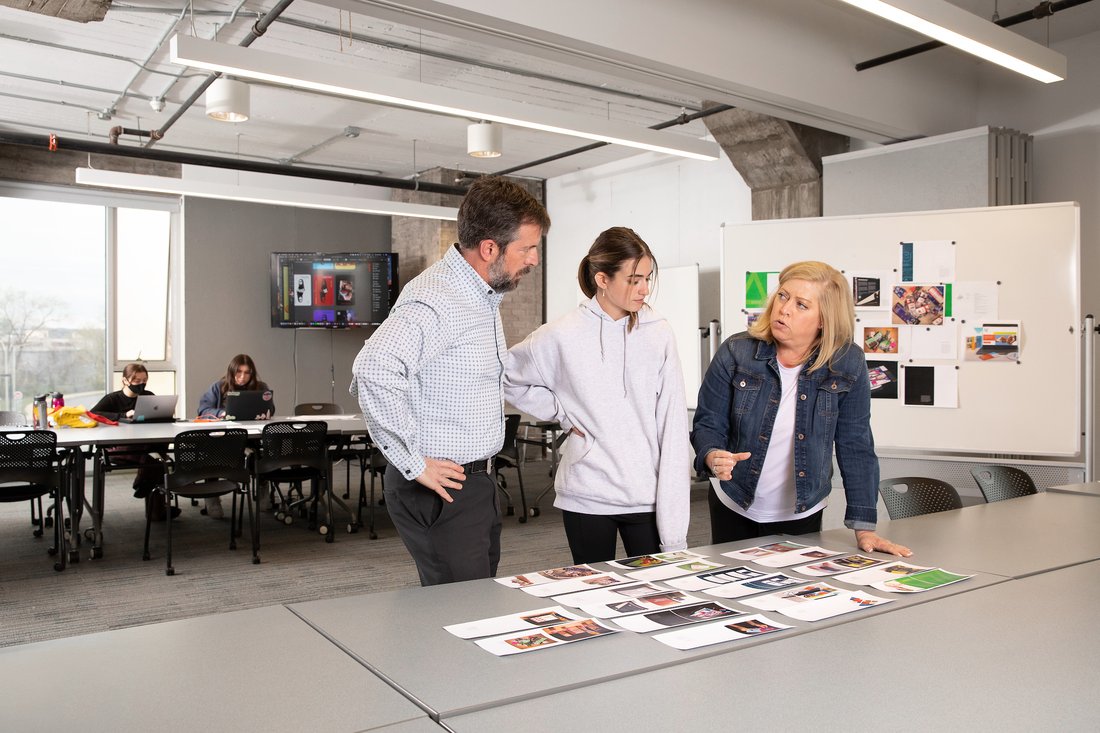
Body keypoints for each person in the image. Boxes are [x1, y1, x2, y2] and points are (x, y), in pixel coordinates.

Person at [352, 176, 549, 586]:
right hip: (442, 488)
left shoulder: (481, 295)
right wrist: (412, 461)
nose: (533, 259)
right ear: (490, 248)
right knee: (463, 614)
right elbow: (374, 368)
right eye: (527, 248)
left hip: (473, 483)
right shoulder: (440, 297)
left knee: (473, 605)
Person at [691, 261, 912, 557]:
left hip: (801, 510)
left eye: (801, 305)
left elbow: (855, 445)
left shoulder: (848, 363)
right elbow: (708, 422)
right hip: (734, 500)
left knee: (792, 595)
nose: (784, 309)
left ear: (824, 319)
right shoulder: (736, 351)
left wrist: (864, 526)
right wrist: (711, 454)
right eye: (783, 296)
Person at [504, 227, 690, 563]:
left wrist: (675, 530)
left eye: (647, 278)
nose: (645, 289)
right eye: (634, 279)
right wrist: (562, 412)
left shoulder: (658, 332)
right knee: (592, 597)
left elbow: (673, 424)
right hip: (587, 497)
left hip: (646, 497)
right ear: (602, 279)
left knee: (657, 594)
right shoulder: (562, 334)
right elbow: (507, 375)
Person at [89, 363, 177, 521]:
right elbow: (93, 414)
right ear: (125, 381)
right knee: (157, 461)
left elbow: (156, 414)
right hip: (120, 447)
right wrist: (123, 415)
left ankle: (144, 488)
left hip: (144, 445)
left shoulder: (148, 395)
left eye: (144, 380)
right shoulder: (113, 398)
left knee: (157, 454)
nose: (141, 384)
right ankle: (154, 507)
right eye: (137, 381)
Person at [196, 354, 274, 518]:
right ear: (231, 372)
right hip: (223, 438)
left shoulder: (260, 387)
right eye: (239, 372)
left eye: (247, 373)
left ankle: (262, 490)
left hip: (252, 437)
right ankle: (212, 497)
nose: (242, 377)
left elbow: (270, 409)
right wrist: (222, 413)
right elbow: (203, 410)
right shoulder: (219, 387)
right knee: (213, 455)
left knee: (263, 453)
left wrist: (265, 413)